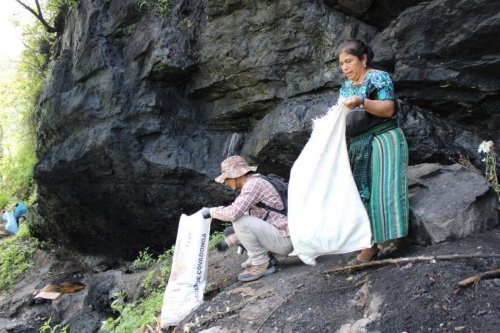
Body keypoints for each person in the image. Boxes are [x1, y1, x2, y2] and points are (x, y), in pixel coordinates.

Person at [336, 39, 409, 263]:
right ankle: (368, 243)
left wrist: (361, 101)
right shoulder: (346, 87)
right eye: (341, 64)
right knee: (359, 195)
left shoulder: (378, 77)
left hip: (381, 141)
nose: (345, 67)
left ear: (364, 59)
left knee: (380, 192)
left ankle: (384, 242)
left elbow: (388, 109)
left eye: (349, 61)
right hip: (357, 146)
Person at [202, 155, 293, 282]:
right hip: (283, 235)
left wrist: (211, 212)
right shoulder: (255, 182)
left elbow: (233, 213)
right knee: (231, 231)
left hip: (285, 240)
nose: (225, 182)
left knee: (239, 220)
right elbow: (251, 225)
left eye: (226, 178)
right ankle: (269, 259)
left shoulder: (253, 185)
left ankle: (261, 263)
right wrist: (228, 242)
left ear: (236, 175)